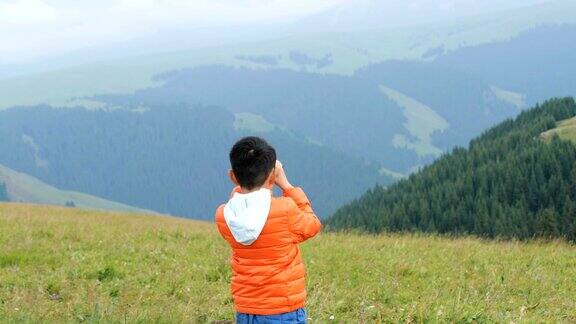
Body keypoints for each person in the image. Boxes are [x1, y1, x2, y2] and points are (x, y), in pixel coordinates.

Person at [215, 136, 322, 323]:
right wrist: (287, 186)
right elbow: (312, 225)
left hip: (246, 310)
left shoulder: (224, 216)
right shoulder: (285, 210)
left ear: (233, 177)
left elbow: (240, 199)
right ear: (272, 176)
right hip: (283, 309)